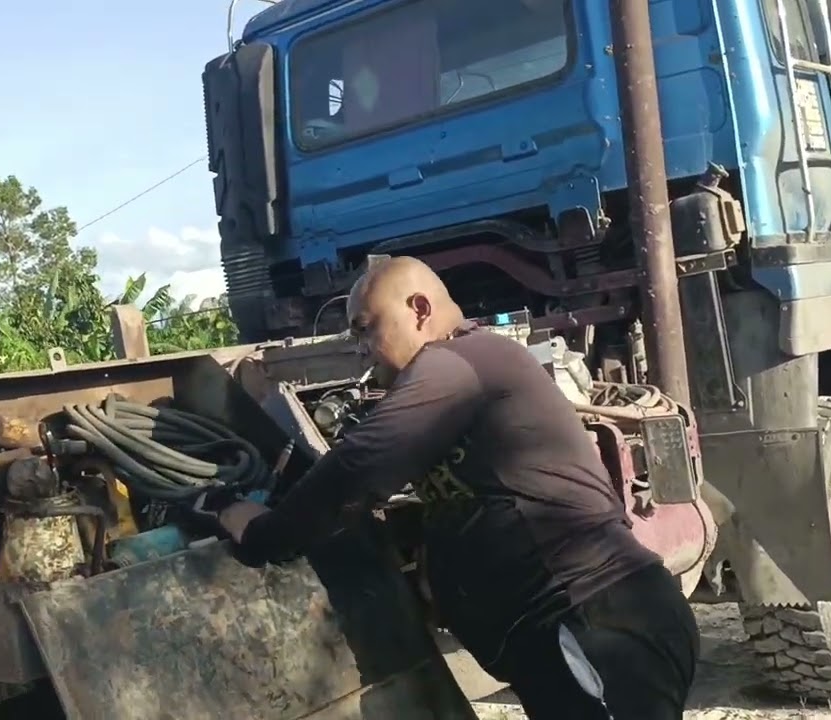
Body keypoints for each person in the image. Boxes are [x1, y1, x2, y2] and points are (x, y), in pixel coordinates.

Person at [217, 256, 699, 719]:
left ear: (419, 310)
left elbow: (358, 466)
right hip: (578, 632)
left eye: (365, 328)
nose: (359, 348)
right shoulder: (466, 370)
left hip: (598, 624)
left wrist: (261, 532)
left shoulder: (460, 359)